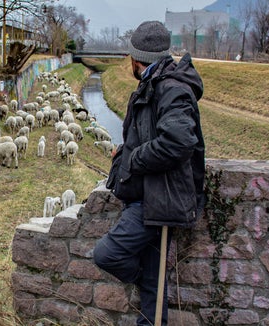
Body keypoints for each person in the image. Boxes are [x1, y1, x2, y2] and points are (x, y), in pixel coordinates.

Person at [93, 21, 205, 326]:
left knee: (107, 254)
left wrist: (134, 159)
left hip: (158, 201)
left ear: (135, 58)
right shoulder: (156, 84)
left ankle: (147, 285)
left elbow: (179, 142)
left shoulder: (171, 89)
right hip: (150, 196)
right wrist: (124, 152)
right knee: (155, 290)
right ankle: (151, 293)